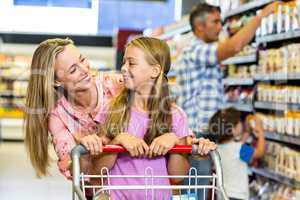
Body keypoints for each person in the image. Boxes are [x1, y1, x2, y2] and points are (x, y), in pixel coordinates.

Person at [91, 37, 217, 200]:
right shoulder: (112, 109)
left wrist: (174, 141)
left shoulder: (175, 116)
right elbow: (97, 171)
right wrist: (118, 141)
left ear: (155, 71)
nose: (123, 68)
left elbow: (177, 176)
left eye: (132, 63)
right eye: (124, 62)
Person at [175, 2, 277, 199]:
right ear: (199, 26)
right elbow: (234, 46)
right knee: (195, 192)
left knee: (202, 189)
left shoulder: (200, 52)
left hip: (209, 135)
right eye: (215, 21)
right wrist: (260, 17)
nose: (220, 26)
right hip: (198, 136)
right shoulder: (195, 51)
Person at [24, 38, 124, 181]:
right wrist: (81, 153)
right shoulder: (58, 115)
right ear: (56, 81)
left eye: (82, 60)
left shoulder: (116, 85)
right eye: (73, 70)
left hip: (138, 182)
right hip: (98, 190)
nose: (85, 69)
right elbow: (73, 170)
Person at [209, 107, 265, 200]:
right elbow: (259, 152)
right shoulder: (239, 149)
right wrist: (261, 132)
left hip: (222, 194)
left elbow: (237, 143)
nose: (241, 123)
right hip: (237, 195)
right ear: (233, 130)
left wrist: (247, 131)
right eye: (239, 122)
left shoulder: (216, 148)